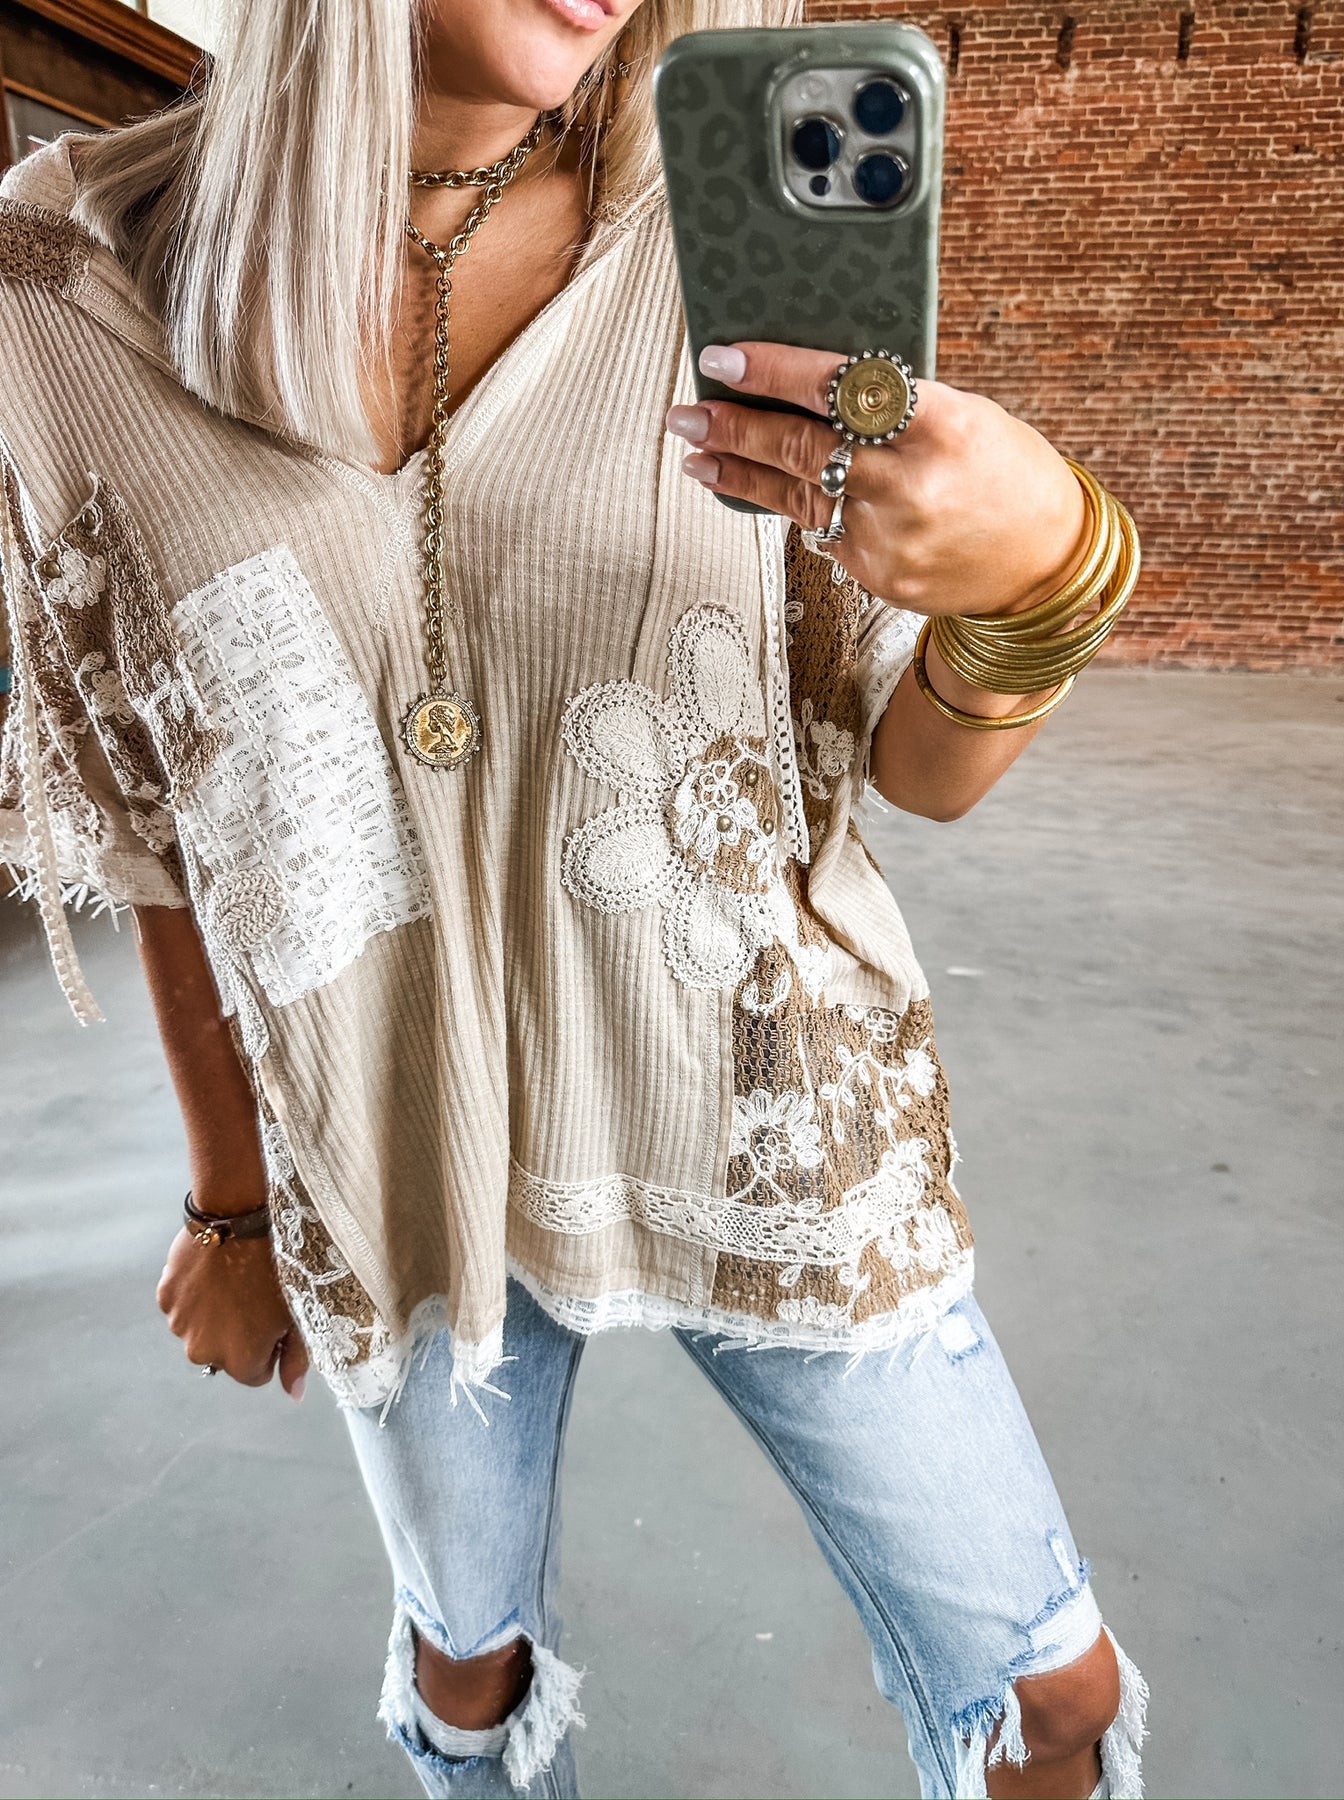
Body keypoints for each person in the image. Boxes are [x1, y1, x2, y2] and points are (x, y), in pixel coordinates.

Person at [0, 1, 1148, 1795]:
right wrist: (233, 1202)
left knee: (1043, 1695)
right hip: (395, 1149)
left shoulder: (728, 232)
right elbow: (171, 824)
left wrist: (1052, 572)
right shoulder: (69, 278)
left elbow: (915, 769)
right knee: (466, 1668)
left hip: (762, 1109)